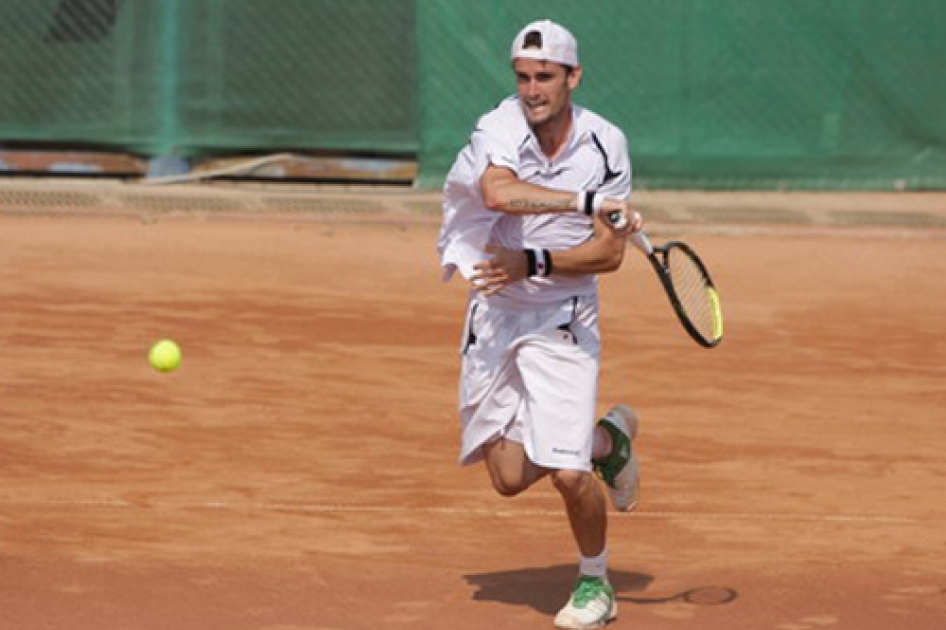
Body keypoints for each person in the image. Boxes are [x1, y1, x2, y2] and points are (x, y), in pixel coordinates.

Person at [437, 19, 644, 629]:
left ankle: (595, 584)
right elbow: (498, 193)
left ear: (572, 77)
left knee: (567, 474)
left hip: (564, 316)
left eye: (545, 77)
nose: (532, 90)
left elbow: (608, 256)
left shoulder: (606, 144)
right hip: (495, 312)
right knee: (505, 476)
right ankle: (608, 439)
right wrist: (584, 203)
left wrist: (536, 260)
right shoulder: (497, 125)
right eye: (523, 77)